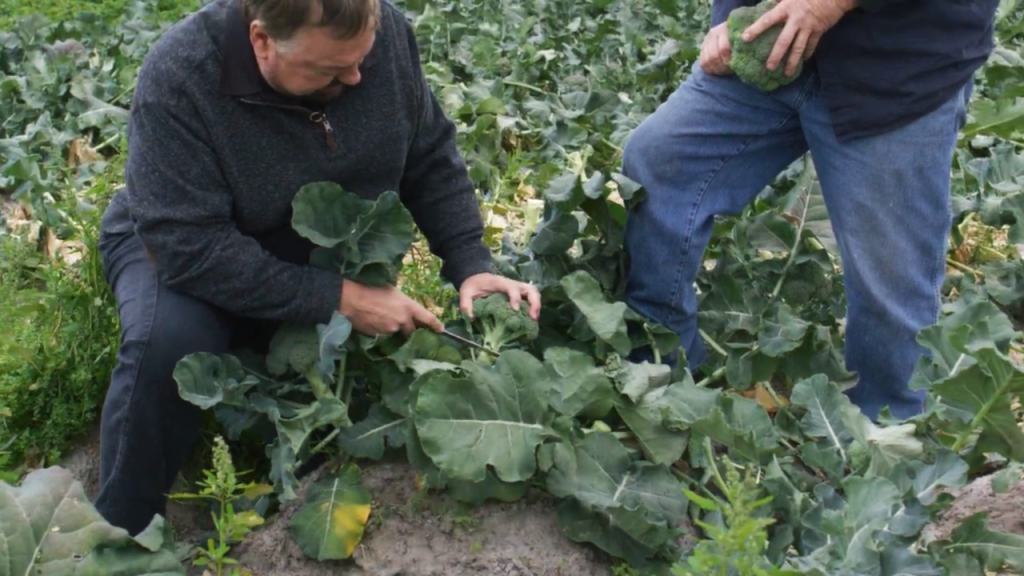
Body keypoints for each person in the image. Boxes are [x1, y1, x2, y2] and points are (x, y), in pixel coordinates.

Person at [93, 0, 541, 536]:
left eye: (361, 60)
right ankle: (117, 534)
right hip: (180, 244)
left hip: (309, 251)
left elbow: (428, 152)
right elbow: (187, 244)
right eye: (329, 69)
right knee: (171, 345)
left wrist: (470, 263)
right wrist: (341, 297)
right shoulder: (182, 74)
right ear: (262, 41)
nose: (355, 77)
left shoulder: (384, 33)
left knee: (320, 384)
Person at [621, 0, 999, 421]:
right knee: (659, 162)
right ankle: (662, 380)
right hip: (772, 43)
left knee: (889, 280)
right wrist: (730, 15)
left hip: (896, 69)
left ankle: (889, 441)